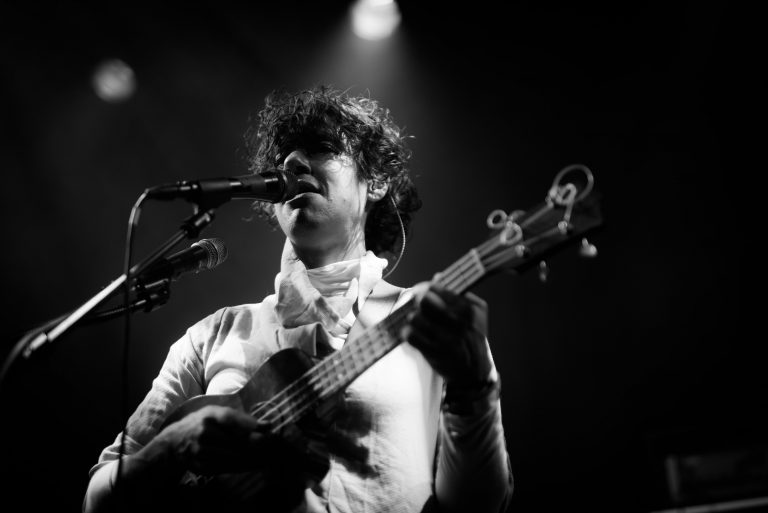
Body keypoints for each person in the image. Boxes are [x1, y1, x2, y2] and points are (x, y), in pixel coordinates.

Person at [83, 85, 513, 513]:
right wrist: (175, 446)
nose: (291, 164)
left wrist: (475, 389)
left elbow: (481, 506)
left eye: (321, 148)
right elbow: (97, 500)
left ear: (377, 181)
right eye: (282, 160)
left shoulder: (437, 327)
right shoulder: (213, 335)